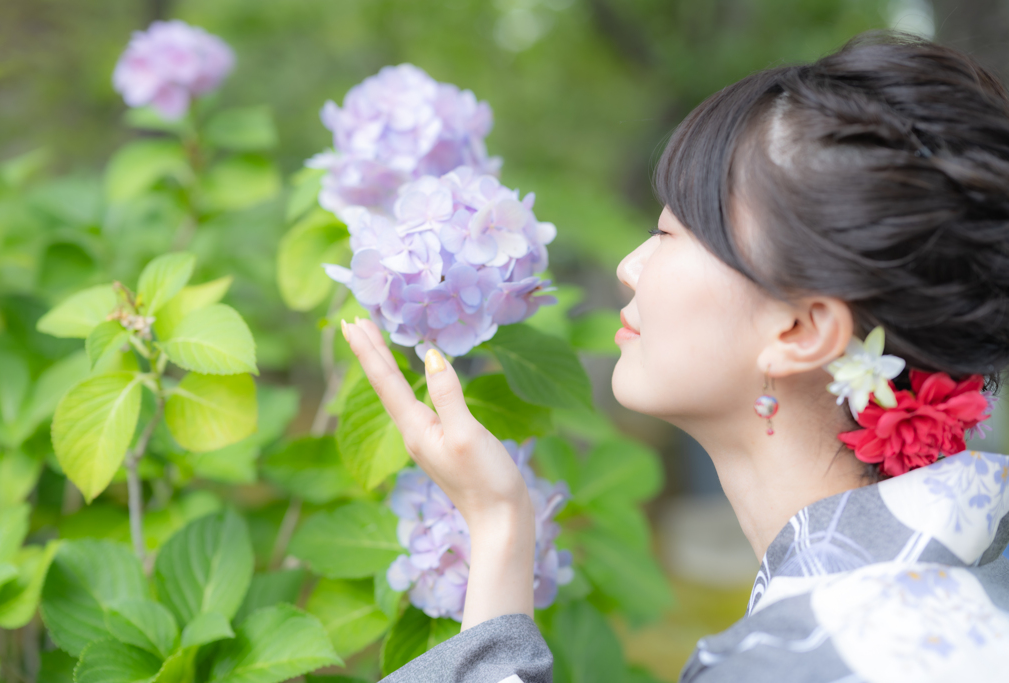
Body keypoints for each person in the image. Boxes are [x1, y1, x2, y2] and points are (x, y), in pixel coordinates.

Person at [340, 32, 1009, 682]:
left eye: (670, 232)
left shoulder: (791, 660)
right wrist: (498, 523)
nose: (631, 266)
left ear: (802, 329)